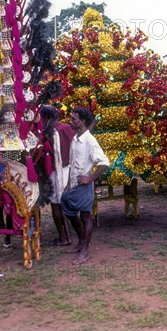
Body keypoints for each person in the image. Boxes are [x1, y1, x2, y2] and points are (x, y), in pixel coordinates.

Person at [61, 107, 109, 265]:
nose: (70, 121)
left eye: (74, 119)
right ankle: (81, 241)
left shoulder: (89, 140)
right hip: (73, 186)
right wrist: (68, 183)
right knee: (68, 209)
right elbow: (72, 163)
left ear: (82, 122)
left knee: (85, 216)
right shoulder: (75, 139)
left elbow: (104, 162)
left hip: (84, 186)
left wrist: (90, 178)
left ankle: (85, 250)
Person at [40, 105, 76, 246]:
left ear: (46, 118)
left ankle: (63, 237)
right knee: (65, 202)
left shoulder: (48, 132)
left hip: (56, 172)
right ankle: (68, 234)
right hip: (69, 169)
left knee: (56, 205)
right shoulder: (68, 128)